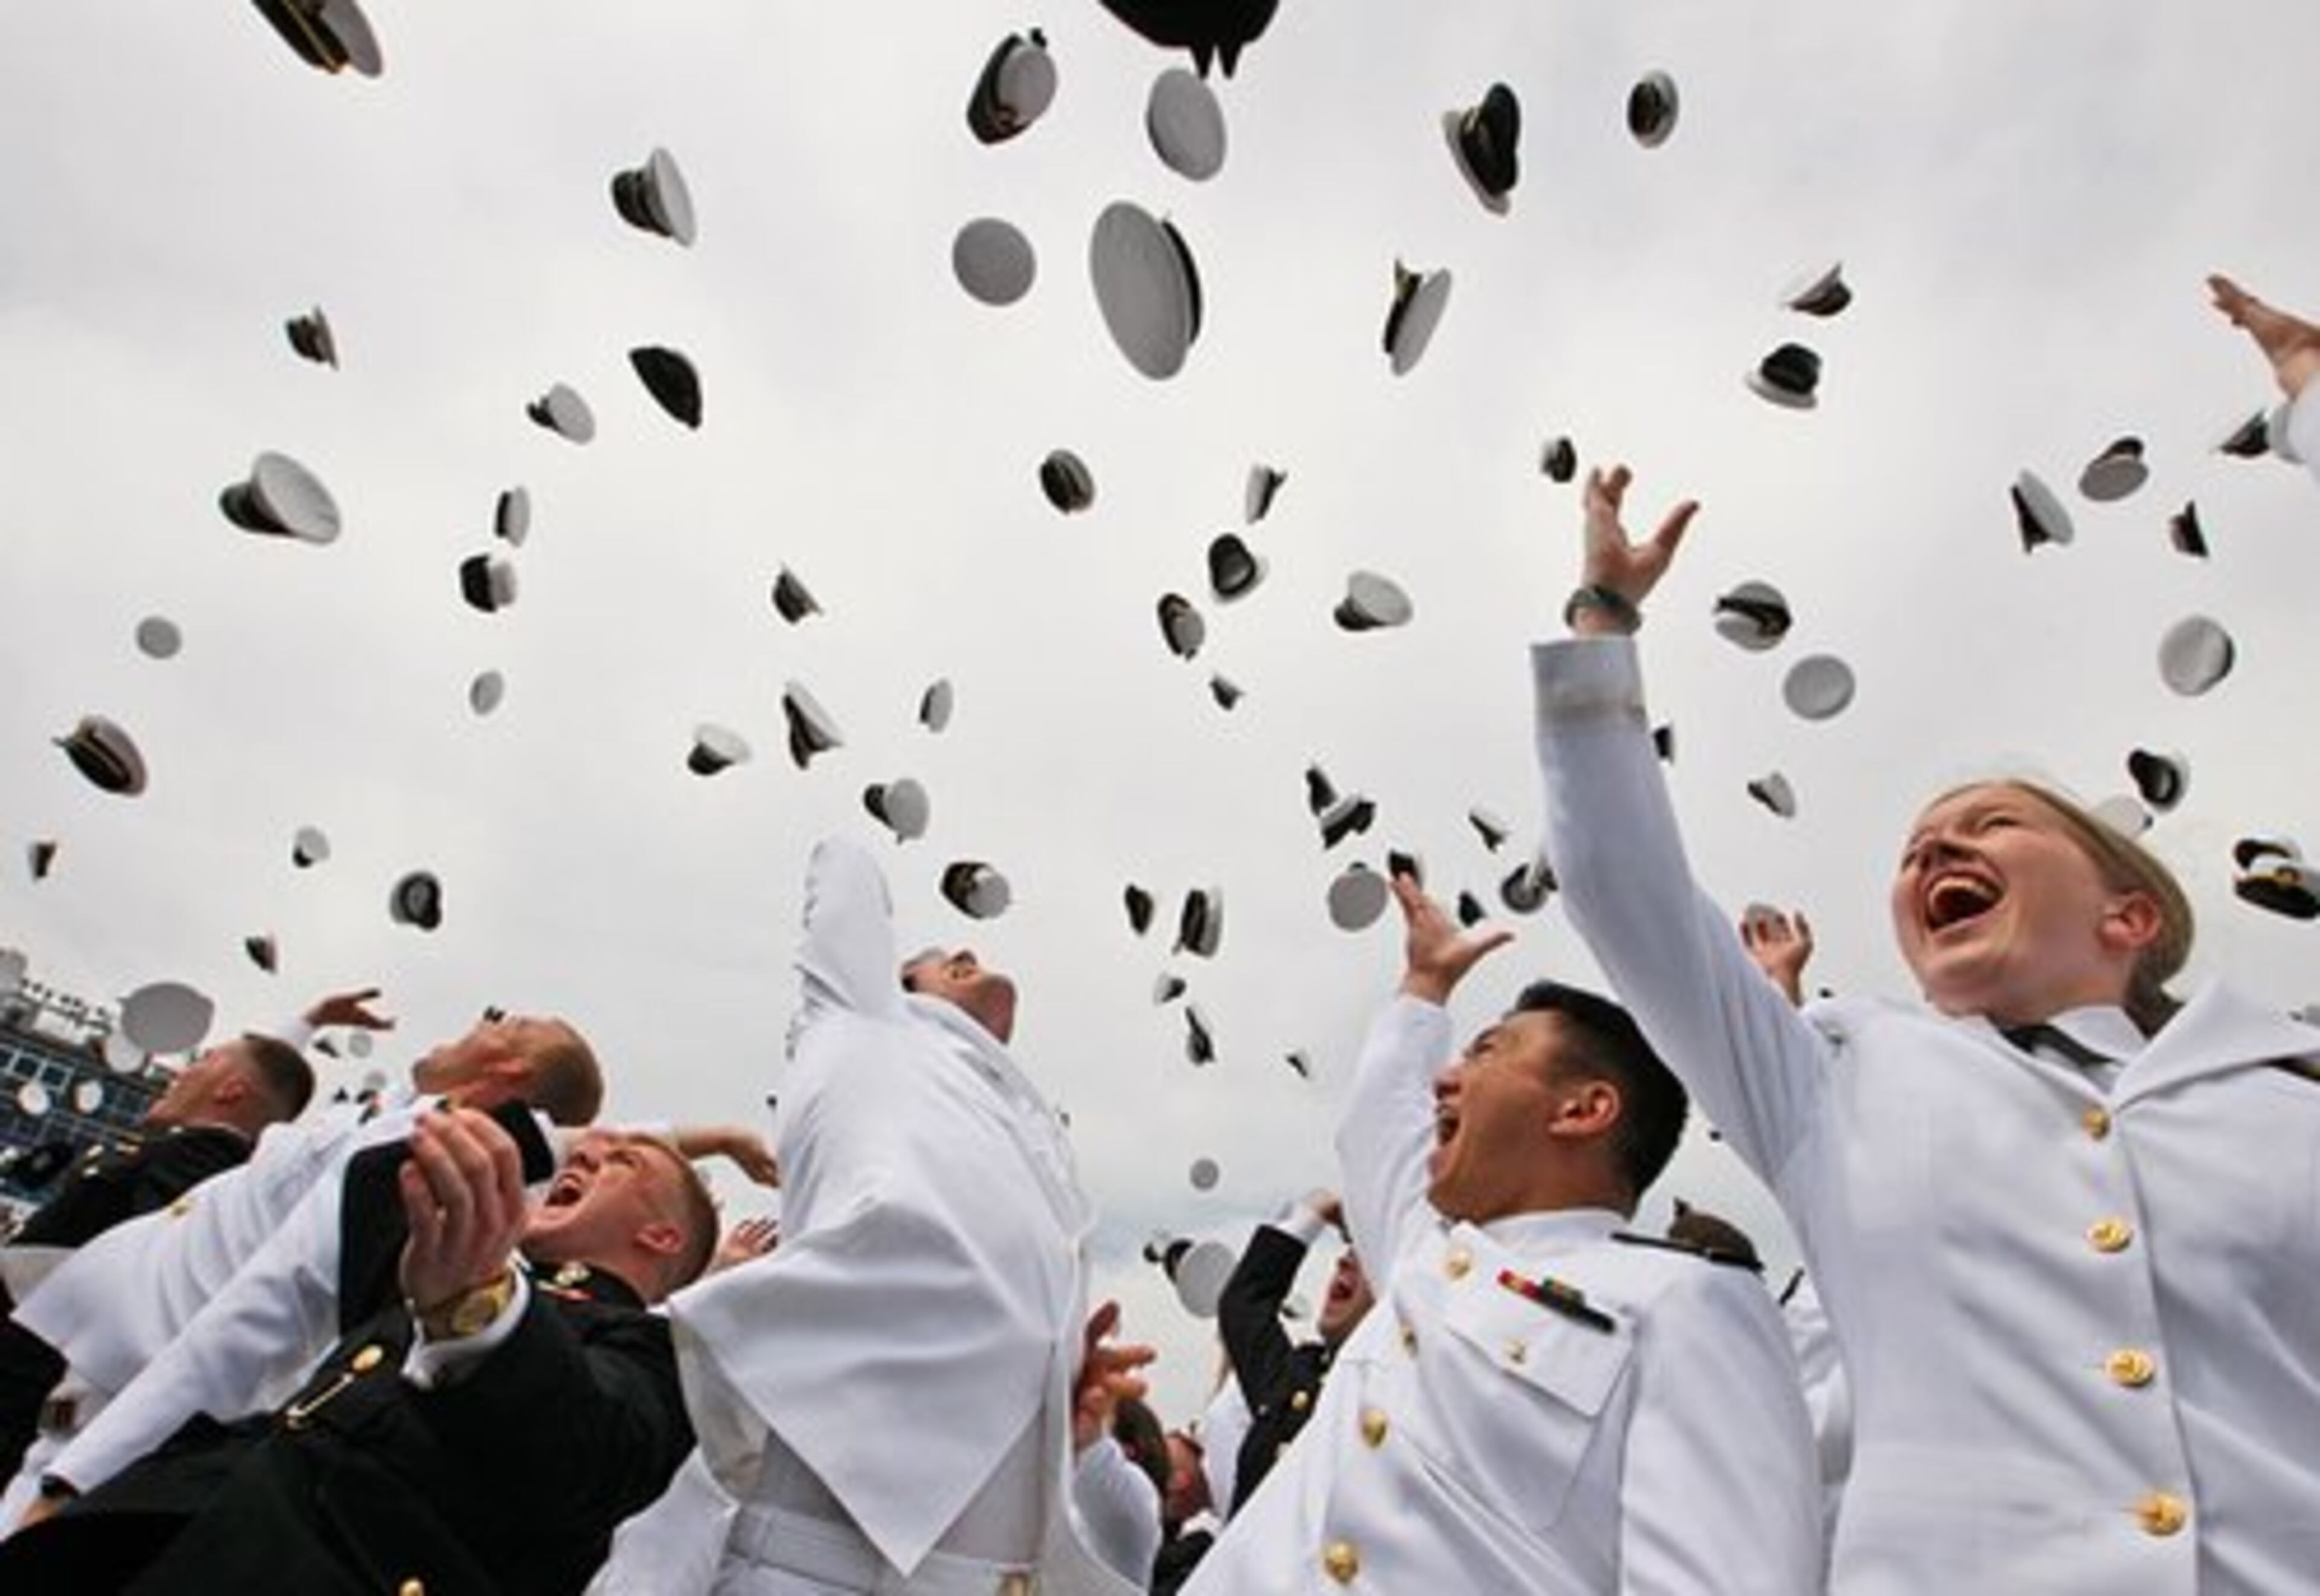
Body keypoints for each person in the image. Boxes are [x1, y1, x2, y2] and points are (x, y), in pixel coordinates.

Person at [1535, 462, 2320, 1593]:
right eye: (1914, 850)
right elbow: (1623, 884)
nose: (1935, 852)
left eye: (1989, 825)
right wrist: (1603, 615)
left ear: (2130, 913)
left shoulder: (2285, 1091)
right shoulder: (1837, 1080)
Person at [1186, 875, 1820, 1593]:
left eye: (1487, 1051)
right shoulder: (1424, 1254)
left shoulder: (1685, 1300)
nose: (1446, 1078)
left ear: (1583, 1108)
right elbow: (1375, 1124)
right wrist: (1425, 984)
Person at [611, 837, 1140, 1595]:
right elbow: (845, 863)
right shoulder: (855, 1020)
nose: (964, 949)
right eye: (933, 958)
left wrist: (1054, 1388)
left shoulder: (1028, 1143)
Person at [0, 1111, 712, 1594]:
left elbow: (583, 1445)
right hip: (165, 1534)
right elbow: (380, 1178)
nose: (592, 1152)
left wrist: (476, 1301)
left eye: (622, 1161)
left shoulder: (661, 1353)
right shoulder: (433, 1265)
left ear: (660, 1237)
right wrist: (540, 1140)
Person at [0, 1000, 611, 1517]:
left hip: (121, 1423)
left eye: (501, 1020)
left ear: (510, 1065)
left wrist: (77, 1478)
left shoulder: (412, 1173)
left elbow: (255, 1320)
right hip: (78, 1403)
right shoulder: (400, 1121)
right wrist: (310, 1020)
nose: (480, 1019)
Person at [0, 1031, 313, 1480]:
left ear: (231, 1090)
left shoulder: (205, 1156)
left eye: (203, 1062)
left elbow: (166, 1271)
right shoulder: (184, 1149)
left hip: (34, 1384)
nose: (181, 1073)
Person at [1214, 1190, 1371, 1511]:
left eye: (1367, 1257)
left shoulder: (1401, 1388)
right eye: (1347, 1252)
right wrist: (1316, 1211)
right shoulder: (1301, 1374)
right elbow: (1243, 1304)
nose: (1342, 1262)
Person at [2208, 274, 2320, 482]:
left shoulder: (2307, 426)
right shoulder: (2308, 419)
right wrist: (2246, 308)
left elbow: (2295, 351)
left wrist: (2245, 310)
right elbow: (2295, 348)